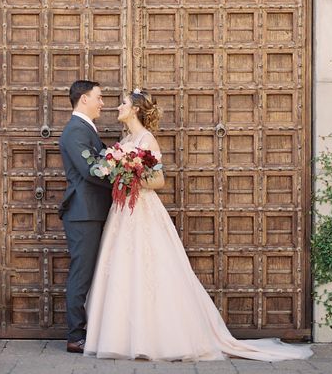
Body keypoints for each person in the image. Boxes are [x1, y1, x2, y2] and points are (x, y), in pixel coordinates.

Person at [83, 89, 313, 362]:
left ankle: (159, 338)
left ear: (134, 109)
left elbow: (158, 181)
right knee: (123, 268)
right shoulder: (127, 140)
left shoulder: (146, 139)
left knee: (150, 270)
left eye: (123, 103)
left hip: (143, 211)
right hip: (123, 212)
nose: (117, 107)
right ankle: (122, 337)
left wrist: (129, 177)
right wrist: (119, 171)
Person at [58, 80, 112, 353]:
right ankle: (75, 336)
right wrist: (121, 178)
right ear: (83, 99)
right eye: (99, 97)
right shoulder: (74, 131)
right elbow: (92, 171)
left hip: (93, 212)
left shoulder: (85, 128)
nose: (102, 102)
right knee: (82, 274)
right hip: (83, 214)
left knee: (91, 273)